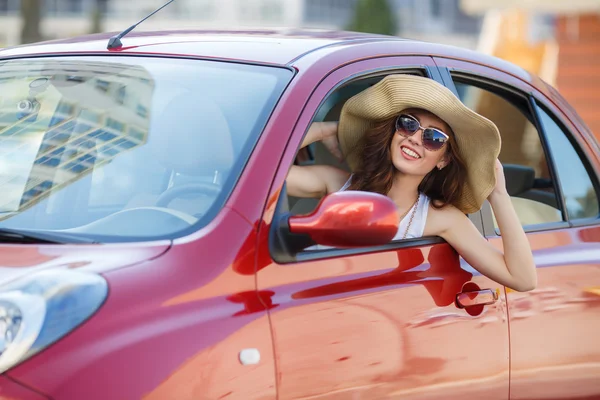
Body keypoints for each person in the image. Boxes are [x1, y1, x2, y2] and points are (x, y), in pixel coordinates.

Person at [286, 74, 537, 292]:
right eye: (408, 124)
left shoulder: (441, 217)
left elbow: (523, 279)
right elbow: (258, 170)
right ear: (392, 132)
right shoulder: (338, 184)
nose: (416, 138)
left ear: (444, 159)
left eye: (434, 137)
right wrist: (323, 130)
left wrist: (499, 195)